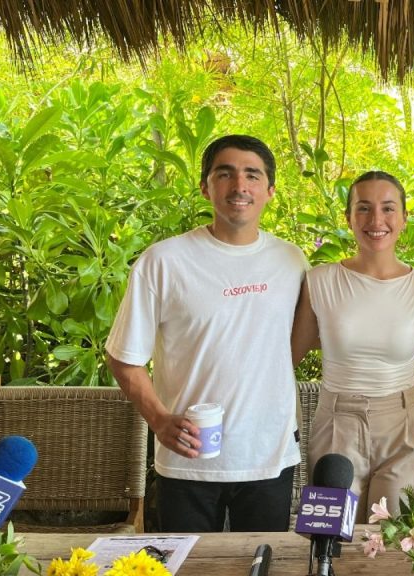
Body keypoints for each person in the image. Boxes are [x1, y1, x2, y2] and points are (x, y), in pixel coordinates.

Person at [106, 134, 306, 532]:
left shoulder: (291, 259)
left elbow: (291, 346)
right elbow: (123, 357)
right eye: (225, 174)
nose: (239, 186)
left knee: (265, 563)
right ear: (205, 186)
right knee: (187, 566)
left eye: (252, 175)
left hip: (268, 453)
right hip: (188, 459)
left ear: (270, 190)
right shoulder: (163, 261)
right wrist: (160, 420)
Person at [291, 171, 414, 519]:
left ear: (404, 218)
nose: (376, 220)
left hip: (405, 425)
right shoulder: (320, 282)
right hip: (335, 424)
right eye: (363, 208)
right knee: (329, 538)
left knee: (398, 543)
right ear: (348, 218)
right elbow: (287, 356)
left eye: (388, 208)